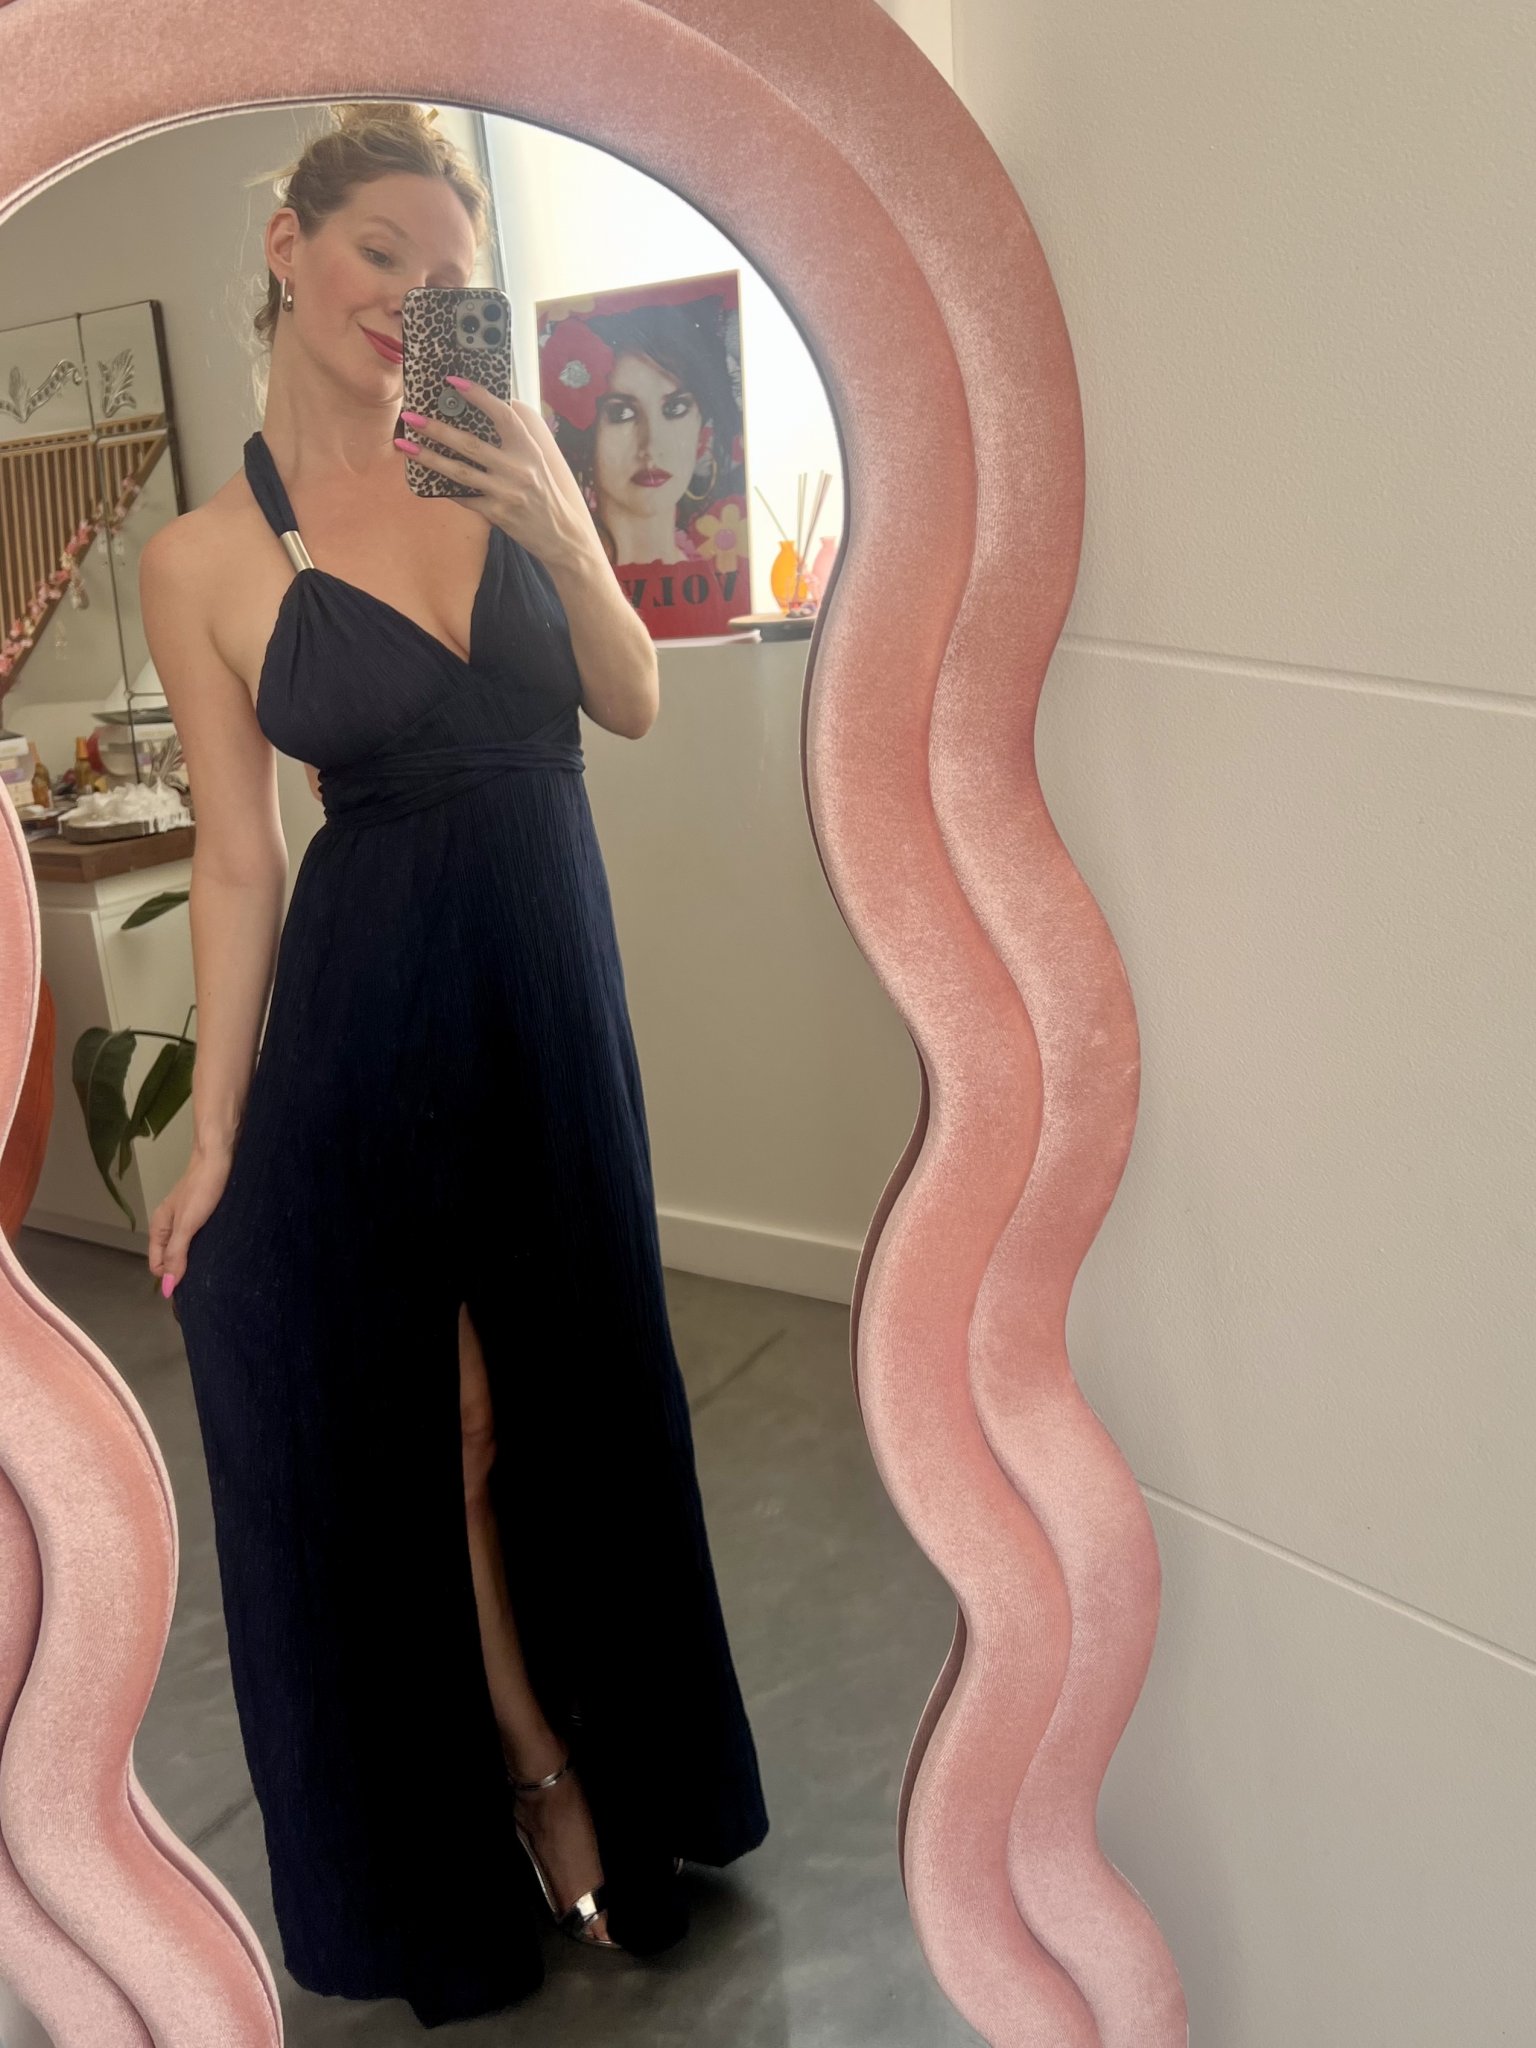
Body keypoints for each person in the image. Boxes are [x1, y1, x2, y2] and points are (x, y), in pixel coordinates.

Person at [140, 101, 768, 2029]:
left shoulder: (507, 458)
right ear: (289, 249)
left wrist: (559, 518)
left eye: (448, 275)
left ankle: (633, 1776)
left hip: (549, 997)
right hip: (371, 1018)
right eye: (380, 253)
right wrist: (215, 1129)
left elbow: (631, 699)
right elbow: (238, 859)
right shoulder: (202, 555)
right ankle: (524, 1766)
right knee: (435, 1433)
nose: (411, 298)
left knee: (586, 1396)